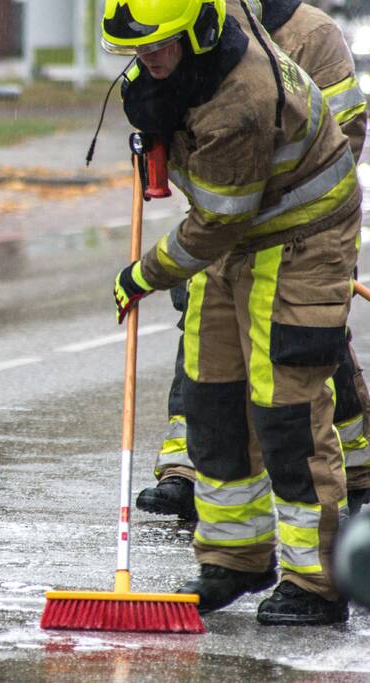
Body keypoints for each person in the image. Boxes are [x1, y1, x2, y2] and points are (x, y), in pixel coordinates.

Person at [105, 0, 358, 624]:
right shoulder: (197, 42)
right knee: (211, 398)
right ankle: (234, 559)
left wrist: (144, 274)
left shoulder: (239, 102)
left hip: (301, 238)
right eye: (137, 50)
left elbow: (218, 220)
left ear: (197, 33)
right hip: (238, 238)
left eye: (159, 46)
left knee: (287, 411)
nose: (147, 59)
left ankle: (317, 582)